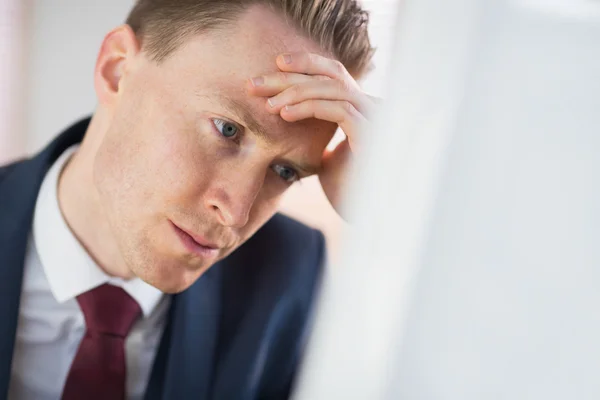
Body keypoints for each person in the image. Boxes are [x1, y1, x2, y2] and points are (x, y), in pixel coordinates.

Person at [0, 0, 375, 399]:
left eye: (284, 172)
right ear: (117, 70)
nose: (234, 213)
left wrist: (388, 217)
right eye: (227, 129)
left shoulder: (287, 275)